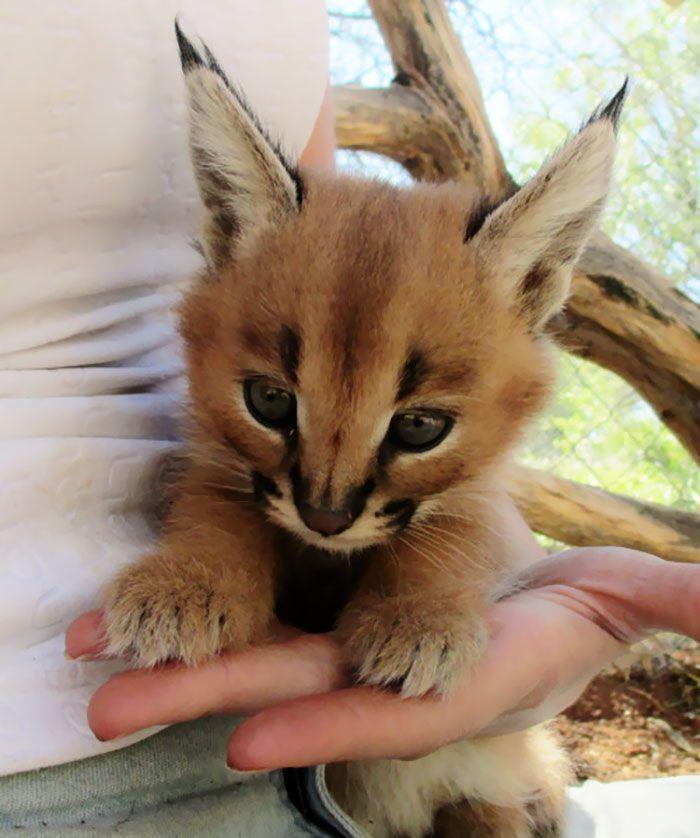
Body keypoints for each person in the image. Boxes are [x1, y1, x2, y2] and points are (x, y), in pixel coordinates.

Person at [1, 1, 697, 835]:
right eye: (273, 405)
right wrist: (214, 563)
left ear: (539, 279)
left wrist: (467, 584)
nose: (327, 501)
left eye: (414, 429)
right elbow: (225, 478)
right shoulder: (260, 283)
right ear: (226, 220)